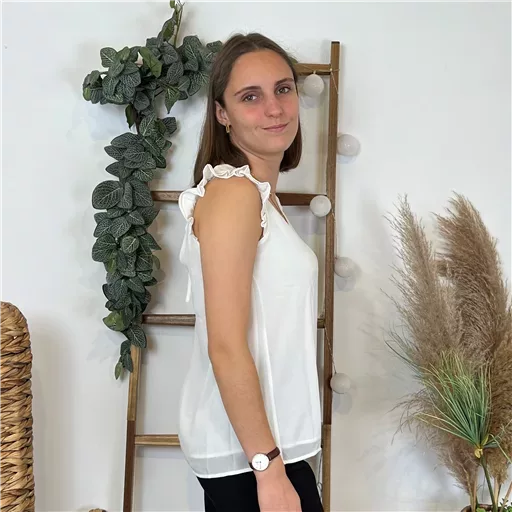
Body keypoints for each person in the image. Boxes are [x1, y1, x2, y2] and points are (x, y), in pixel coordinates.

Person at [177, 32, 324, 512]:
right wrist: (269, 469)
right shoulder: (233, 193)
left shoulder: (260, 198)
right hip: (251, 457)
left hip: (266, 448)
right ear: (223, 114)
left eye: (283, 89)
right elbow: (225, 345)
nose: (275, 109)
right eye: (250, 96)